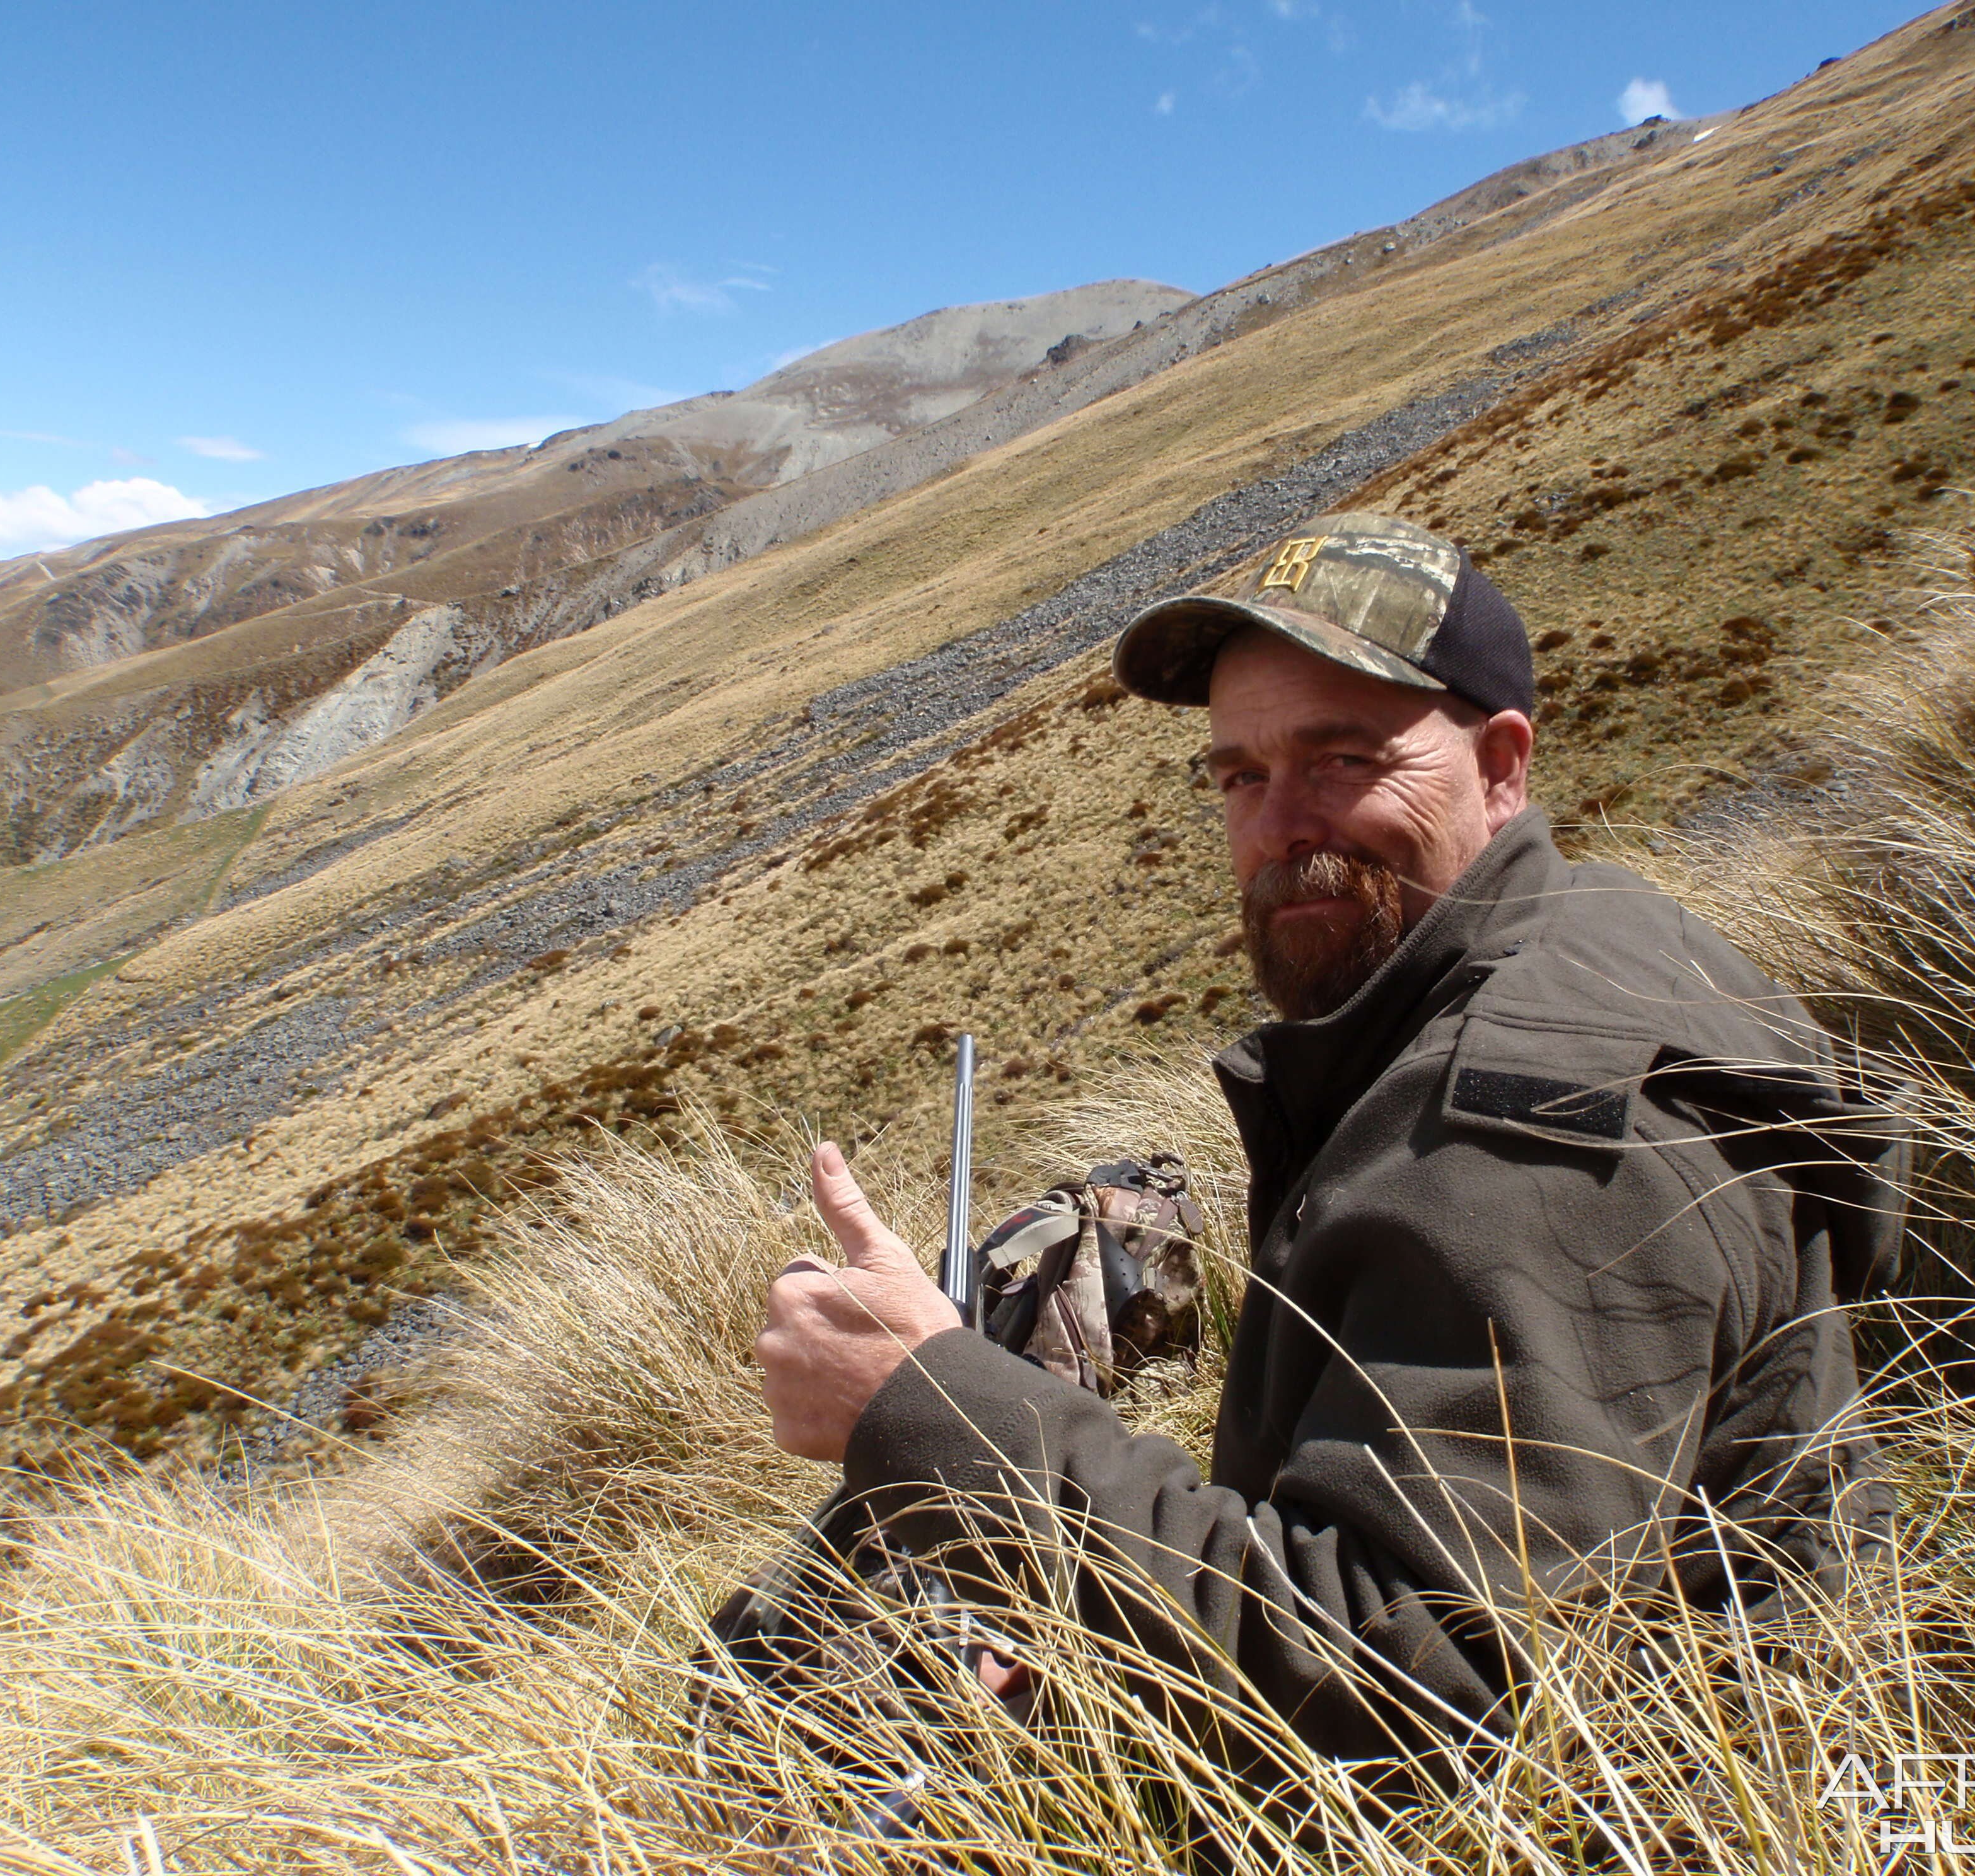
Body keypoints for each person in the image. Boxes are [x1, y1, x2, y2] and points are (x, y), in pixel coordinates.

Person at [753, 512, 1906, 1769]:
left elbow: (1414, 1682)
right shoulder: (1587, 938)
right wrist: (1080, 1598)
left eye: (1342, 760)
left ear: (1503, 767)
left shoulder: (1517, 1137)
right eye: (1240, 775)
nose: (1279, 825)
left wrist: (935, 1414)